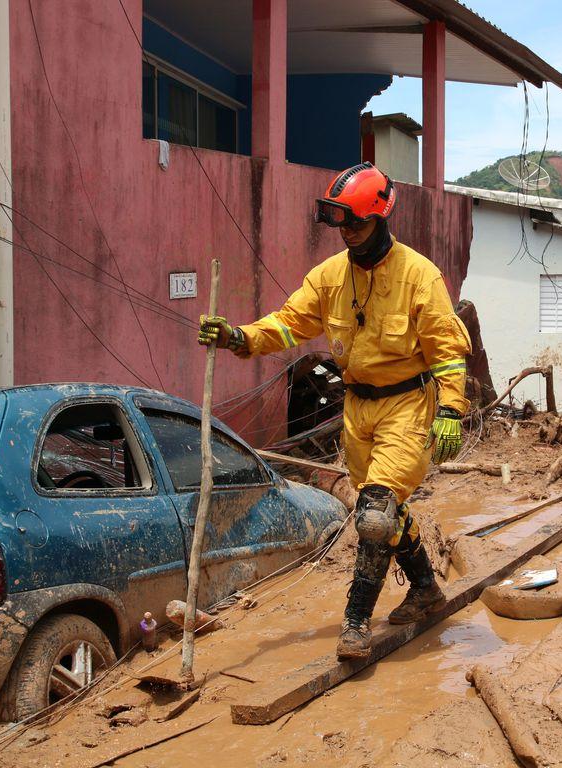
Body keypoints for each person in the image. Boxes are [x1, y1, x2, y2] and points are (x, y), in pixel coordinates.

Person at [197, 163, 471, 660]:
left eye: (356, 224)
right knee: (384, 512)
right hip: (356, 413)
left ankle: (355, 623)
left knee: (372, 516)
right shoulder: (328, 278)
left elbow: (448, 351)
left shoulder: (419, 277)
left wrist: (451, 408)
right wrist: (240, 338)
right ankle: (427, 588)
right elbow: (287, 325)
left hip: (407, 406)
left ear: (380, 218)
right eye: (341, 224)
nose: (347, 234)